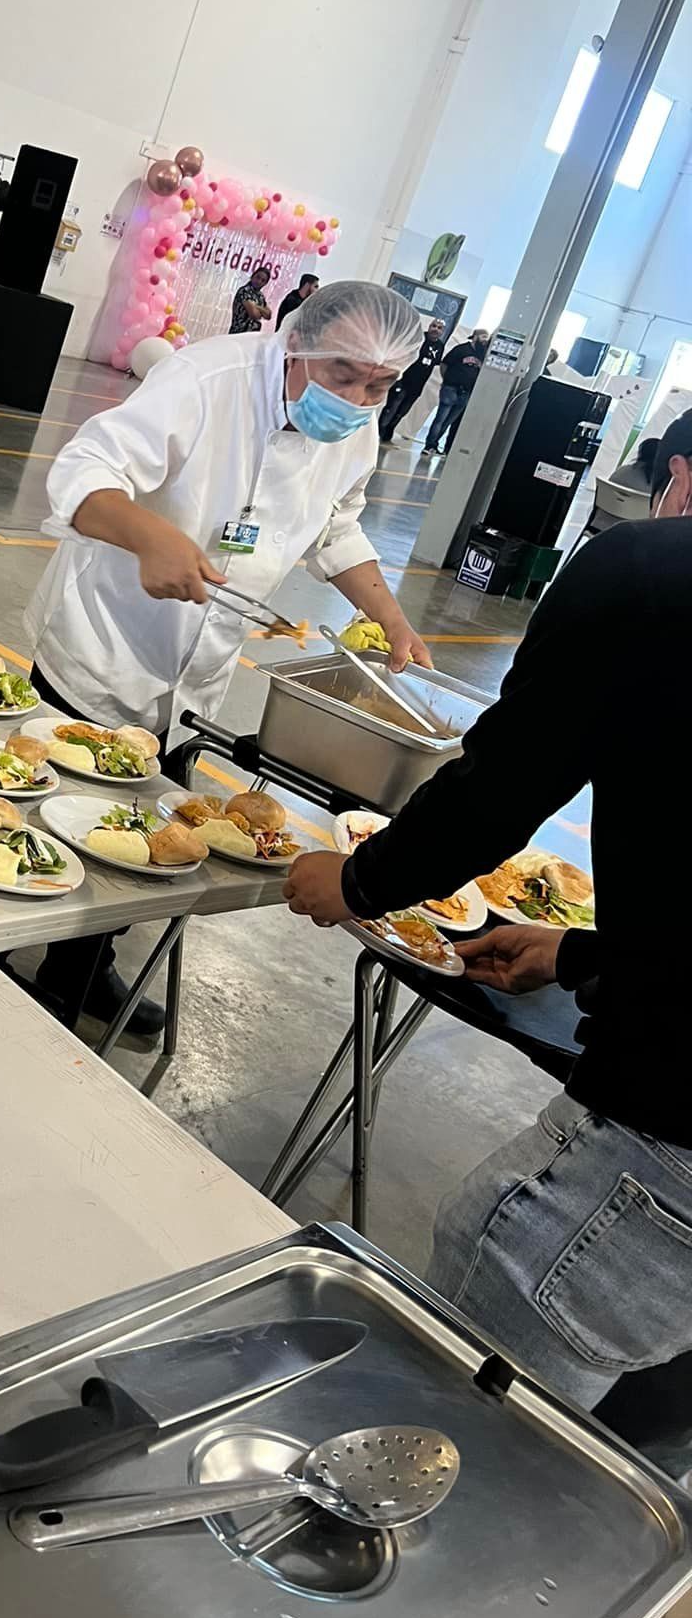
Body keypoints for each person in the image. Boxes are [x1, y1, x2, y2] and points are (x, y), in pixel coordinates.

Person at [283, 410, 692, 1473]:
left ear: (679, 479)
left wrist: (360, 879)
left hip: (671, 1146)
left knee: (457, 1410)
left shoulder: (650, 573)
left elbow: (499, 788)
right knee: (619, 1451)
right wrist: (583, 955)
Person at [25, 280, 431, 1039]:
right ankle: (17, 960)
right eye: (342, 376)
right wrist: (150, 536)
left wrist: (392, 617)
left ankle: (80, 967)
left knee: (149, 834)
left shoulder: (357, 426)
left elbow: (337, 526)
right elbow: (83, 471)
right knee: (57, 815)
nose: (357, 399)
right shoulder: (205, 381)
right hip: (105, 642)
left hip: (195, 674)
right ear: (295, 344)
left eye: (380, 385)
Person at [421, 327, 490, 456]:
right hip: (451, 388)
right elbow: (444, 364)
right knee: (440, 418)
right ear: (475, 337)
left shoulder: (483, 355)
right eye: (483, 337)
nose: (485, 340)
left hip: (466, 392)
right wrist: (447, 379)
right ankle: (429, 445)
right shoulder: (461, 349)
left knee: (448, 421)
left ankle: (434, 444)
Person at [378, 318, 447, 443]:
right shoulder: (419, 339)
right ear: (429, 326)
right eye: (434, 326)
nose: (435, 329)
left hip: (417, 386)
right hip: (404, 380)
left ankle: (388, 432)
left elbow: (435, 363)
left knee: (402, 411)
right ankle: (379, 431)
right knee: (391, 408)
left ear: (442, 332)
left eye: (439, 328)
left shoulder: (440, 346)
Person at [229, 264, 274, 334]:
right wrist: (262, 311)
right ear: (253, 276)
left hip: (252, 335)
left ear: (265, 283)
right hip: (239, 333)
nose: (259, 281)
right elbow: (254, 315)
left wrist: (257, 306)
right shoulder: (244, 291)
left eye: (263, 280)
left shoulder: (260, 295)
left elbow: (268, 315)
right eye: (258, 277)